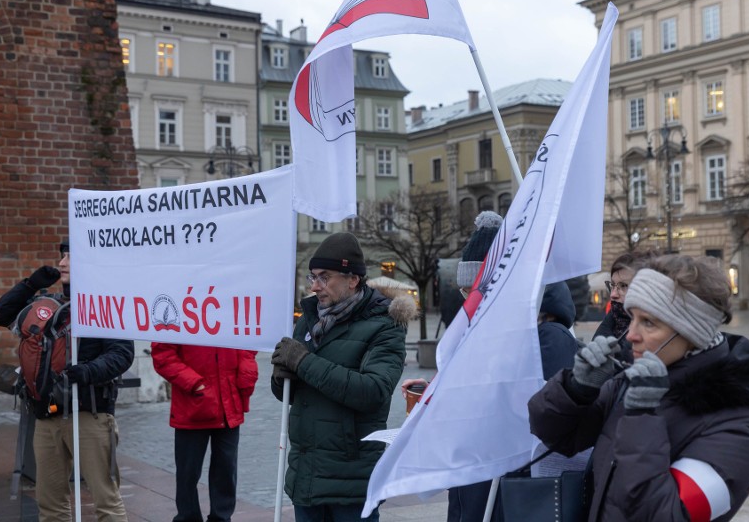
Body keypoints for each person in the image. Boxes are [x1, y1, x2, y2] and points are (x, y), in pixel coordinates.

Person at [528, 254, 749, 522]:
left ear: (691, 332)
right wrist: (577, 389)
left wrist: (642, 417)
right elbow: (554, 434)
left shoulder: (739, 418)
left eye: (649, 322)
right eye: (632, 317)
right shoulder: (630, 379)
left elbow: (666, 515)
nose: (631, 334)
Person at [403, 211, 582, 522]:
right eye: (463, 293)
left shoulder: (550, 336)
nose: (467, 303)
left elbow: (539, 416)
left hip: (509, 488)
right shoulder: (479, 332)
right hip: (472, 482)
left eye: (473, 292)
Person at [270, 232, 415, 522]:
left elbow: (372, 391)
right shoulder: (310, 319)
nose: (316, 287)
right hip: (306, 476)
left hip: (351, 479)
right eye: (312, 277)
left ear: (352, 279)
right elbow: (289, 395)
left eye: (325, 277)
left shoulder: (385, 326)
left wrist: (303, 362)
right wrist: (281, 375)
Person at [0, 239, 133, 522]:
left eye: (70, 258)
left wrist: (86, 372)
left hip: (90, 414)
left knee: (105, 500)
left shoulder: (103, 303)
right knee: (50, 504)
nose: (62, 263)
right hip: (47, 415)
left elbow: (122, 353)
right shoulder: (49, 303)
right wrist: (29, 285)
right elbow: (0, 315)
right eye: (62, 256)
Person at [151, 342, 258, 522]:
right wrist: (194, 383)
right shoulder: (181, 313)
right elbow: (163, 355)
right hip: (193, 404)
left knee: (226, 469)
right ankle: (188, 517)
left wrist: (247, 370)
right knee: (188, 473)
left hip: (227, 401)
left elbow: (247, 342)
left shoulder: (231, 313)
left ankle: (221, 517)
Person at [592, 248, 659, 364]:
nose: (613, 295)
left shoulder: (658, 336)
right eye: (612, 285)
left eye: (623, 286)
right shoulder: (609, 326)